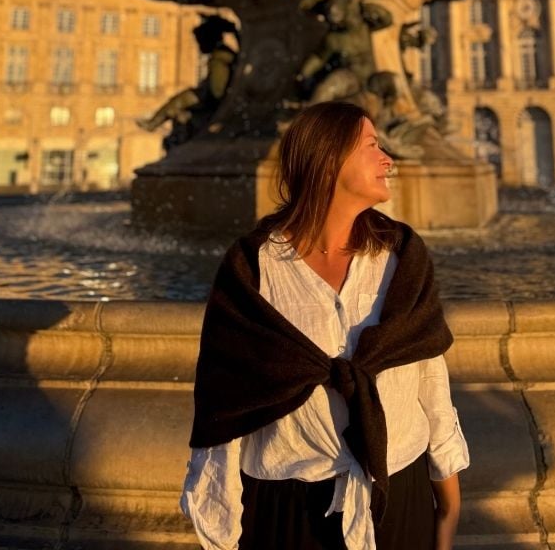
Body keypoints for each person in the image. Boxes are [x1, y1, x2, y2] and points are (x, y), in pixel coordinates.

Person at [181, 101, 469, 550]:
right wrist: (220, 525)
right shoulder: (253, 268)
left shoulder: (401, 257)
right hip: (287, 507)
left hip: (397, 495)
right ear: (329, 159)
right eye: (372, 145)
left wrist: (449, 506)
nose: (387, 158)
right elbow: (225, 406)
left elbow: (430, 379)